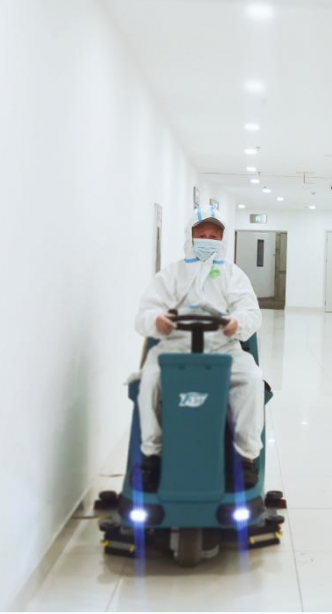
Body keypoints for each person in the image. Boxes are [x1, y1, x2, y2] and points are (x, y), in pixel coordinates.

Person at [134, 205, 264, 492]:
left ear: (223, 240)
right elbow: (144, 315)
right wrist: (157, 321)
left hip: (224, 349)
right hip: (174, 349)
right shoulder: (171, 275)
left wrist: (237, 323)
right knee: (149, 380)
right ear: (190, 237)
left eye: (214, 236)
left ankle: (244, 458)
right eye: (201, 234)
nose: (207, 240)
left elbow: (251, 313)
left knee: (252, 380)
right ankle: (152, 456)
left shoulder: (234, 275)